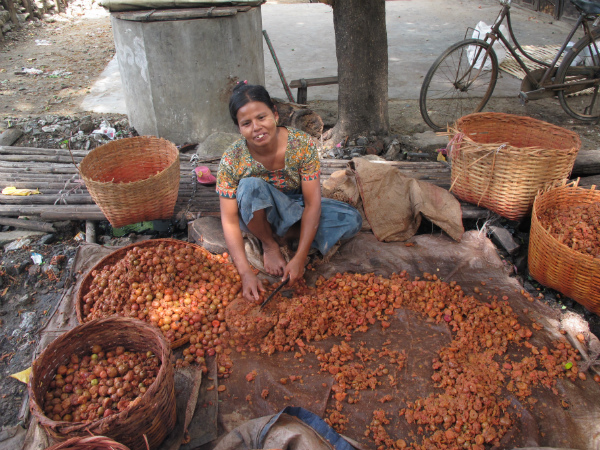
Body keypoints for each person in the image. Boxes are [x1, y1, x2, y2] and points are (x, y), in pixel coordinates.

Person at [216, 82, 362, 302]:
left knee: (352, 220)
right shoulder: (232, 159)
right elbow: (228, 220)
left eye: (262, 117)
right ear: (239, 128)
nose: (256, 127)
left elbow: (313, 204)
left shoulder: (301, 144)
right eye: (246, 123)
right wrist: (246, 273)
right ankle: (269, 243)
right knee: (250, 187)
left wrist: (300, 257)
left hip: (295, 207)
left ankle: (286, 236)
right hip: (255, 215)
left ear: (275, 115)